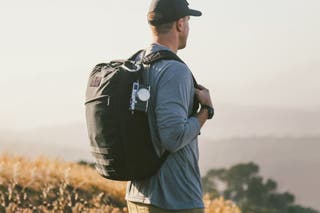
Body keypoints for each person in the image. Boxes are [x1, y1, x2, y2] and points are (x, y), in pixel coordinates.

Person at [125, 0, 214, 212]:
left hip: (138, 195)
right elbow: (173, 138)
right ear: (180, 24)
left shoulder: (137, 63)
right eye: (189, 21)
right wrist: (206, 111)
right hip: (174, 200)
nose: (189, 27)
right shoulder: (174, 70)